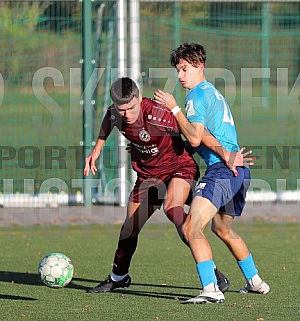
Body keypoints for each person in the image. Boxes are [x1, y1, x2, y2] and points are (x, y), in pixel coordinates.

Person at [84, 77, 242, 294]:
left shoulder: (160, 114)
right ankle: (118, 277)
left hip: (179, 167)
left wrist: (225, 154)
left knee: (175, 211)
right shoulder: (115, 114)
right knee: (129, 229)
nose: (127, 115)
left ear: (140, 98)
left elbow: (196, 133)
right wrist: (97, 149)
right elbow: (108, 121)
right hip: (149, 176)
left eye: (131, 108)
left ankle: (212, 273)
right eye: (122, 110)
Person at [153, 43, 269, 304]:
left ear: (199, 67)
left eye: (185, 69)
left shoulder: (195, 96)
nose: (180, 76)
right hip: (238, 171)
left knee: (191, 226)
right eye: (178, 71)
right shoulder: (211, 92)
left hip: (222, 171)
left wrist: (173, 108)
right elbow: (201, 136)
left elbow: (195, 137)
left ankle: (211, 289)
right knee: (223, 230)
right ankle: (255, 281)